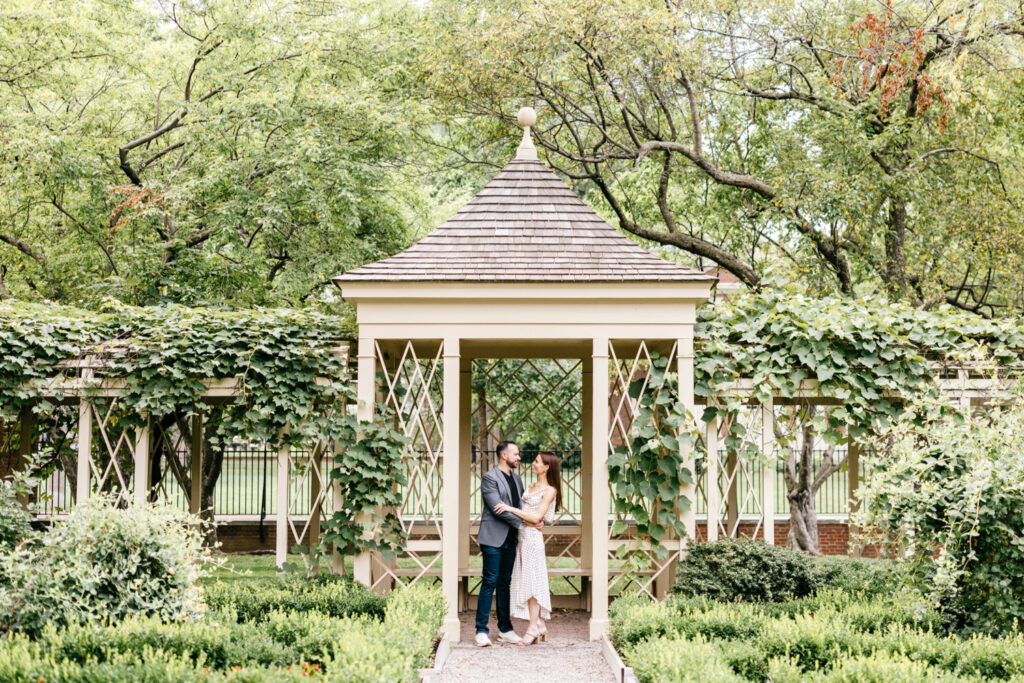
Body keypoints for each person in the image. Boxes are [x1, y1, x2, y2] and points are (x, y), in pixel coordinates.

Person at [494, 451, 562, 646]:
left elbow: (536, 517)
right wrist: (521, 515)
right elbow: (529, 516)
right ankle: (539, 624)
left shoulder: (549, 490)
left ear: (547, 467)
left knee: (533, 583)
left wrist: (509, 508)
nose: (533, 464)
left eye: (537, 462)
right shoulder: (531, 486)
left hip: (532, 540)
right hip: (521, 538)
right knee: (525, 581)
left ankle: (532, 627)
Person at [475, 440, 529, 647]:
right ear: (504, 455)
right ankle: (481, 630)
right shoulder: (489, 478)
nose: (519, 457)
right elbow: (498, 507)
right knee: (489, 581)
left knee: (504, 583)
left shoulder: (517, 479)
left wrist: (526, 520)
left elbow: (516, 507)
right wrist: (525, 523)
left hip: (511, 539)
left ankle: (505, 629)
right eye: (516, 454)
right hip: (492, 538)